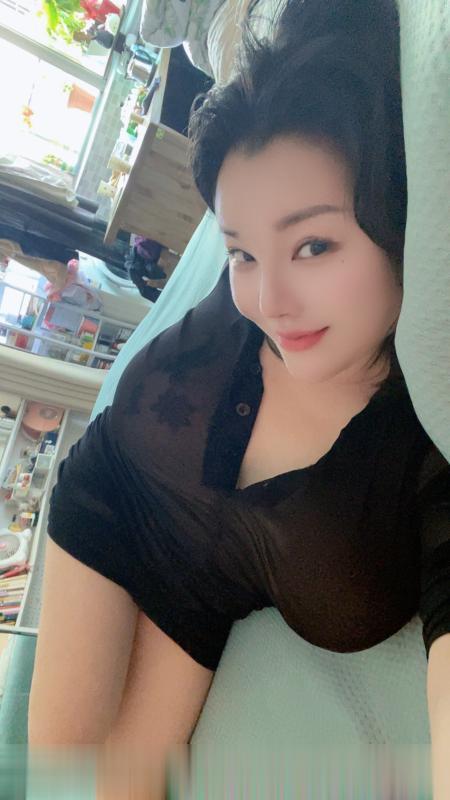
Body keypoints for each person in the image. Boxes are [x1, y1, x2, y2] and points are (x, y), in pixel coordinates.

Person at [28, 1, 450, 798]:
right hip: (115, 494)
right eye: (241, 254)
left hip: (207, 586)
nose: (269, 302)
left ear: (401, 216)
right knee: (61, 758)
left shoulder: (423, 438)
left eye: (314, 245)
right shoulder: (258, 279)